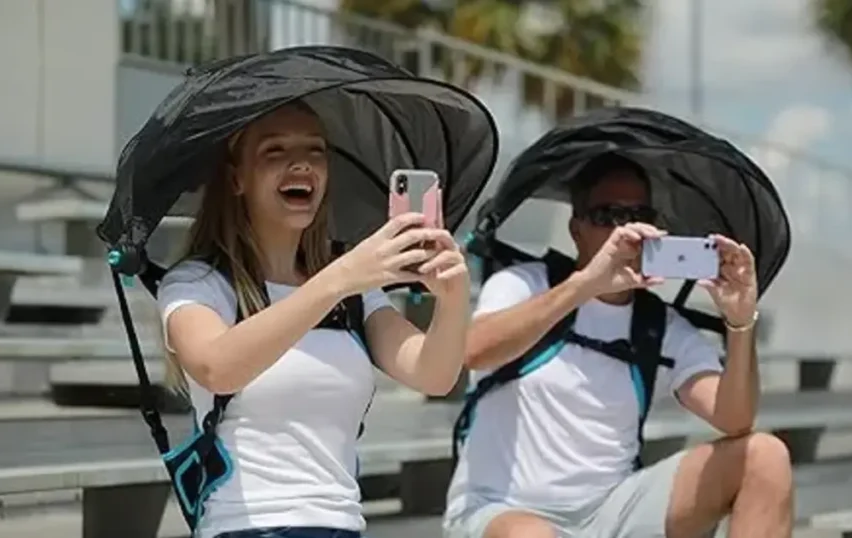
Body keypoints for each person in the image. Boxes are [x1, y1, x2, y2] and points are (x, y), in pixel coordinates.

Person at [158, 102, 472, 538]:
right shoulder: (198, 282)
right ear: (236, 178)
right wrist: (338, 278)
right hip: (247, 527)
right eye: (275, 151)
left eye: (315, 150)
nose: (301, 163)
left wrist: (454, 299)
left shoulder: (354, 289)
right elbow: (216, 368)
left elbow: (434, 375)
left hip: (341, 525)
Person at [443, 154, 793, 538]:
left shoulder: (659, 325)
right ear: (577, 229)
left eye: (637, 214)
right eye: (607, 215)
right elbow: (471, 351)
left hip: (612, 511)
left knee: (765, 457)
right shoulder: (524, 284)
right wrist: (588, 284)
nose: (623, 228)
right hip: (502, 509)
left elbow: (734, 418)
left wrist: (740, 322)